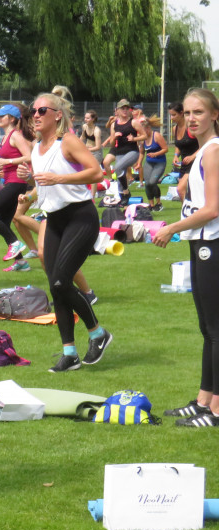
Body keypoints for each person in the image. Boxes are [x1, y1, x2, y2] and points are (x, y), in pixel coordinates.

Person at [17, 90, 112, 373]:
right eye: (33, 111)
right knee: (56, 288)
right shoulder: (36, 148)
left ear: (58, 114)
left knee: (60, 282)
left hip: (80, 217)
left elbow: (96, 172)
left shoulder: (67, 141)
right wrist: (30, 191)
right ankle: (69, 353)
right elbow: (47, 183)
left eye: (42, 110)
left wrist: (60, 177)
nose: (35, 115)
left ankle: (97, 333)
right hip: (55, 219)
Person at [153, 88, 219, 427]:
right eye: (188, 113)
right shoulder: (204, 151)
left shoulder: (213, 152)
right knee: (207, 328)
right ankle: (204, 400)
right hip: (201, 243)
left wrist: (171, 227)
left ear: (214, 115)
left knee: (216, 328)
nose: (192, 119)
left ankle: (217, 411)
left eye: (199, 113)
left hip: (212, 243)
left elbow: (212, 209)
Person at [0, 104, 34, 272]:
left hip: (17, 183)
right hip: (10, 181)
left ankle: (15, 243)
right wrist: (3, 169)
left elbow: (29, 156)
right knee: (4, 221)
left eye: (2, 115)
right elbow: (10, 156)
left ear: (12, 119)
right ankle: (21, 263)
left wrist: (8, 162)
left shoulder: (16, 135)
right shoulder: (5, 137)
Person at [170, 101, 199, 202]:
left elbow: (205, 144)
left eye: (174, 115)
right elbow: (178, 145)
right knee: (186, 191)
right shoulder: (175, 128)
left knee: (180, 189)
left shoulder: (191, 127)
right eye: (170, 115)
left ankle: (188, 213)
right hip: (184, 164)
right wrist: (175, 155)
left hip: (196, 162)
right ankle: (188, 212)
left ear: (181, 113)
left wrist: (192, 157)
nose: (171, 118)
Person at [142, 116, 168, 212]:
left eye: (144, 131)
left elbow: (166, 149)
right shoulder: (143, 138)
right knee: (147, 184)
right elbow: (141, 152)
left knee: (153, 182)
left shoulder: (156, 135)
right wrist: (138, 163)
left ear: (148, 128)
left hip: (159, 163)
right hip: (149, 163)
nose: (142, 133)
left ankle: (159, 203)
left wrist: (155, 154)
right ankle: (151, 205)